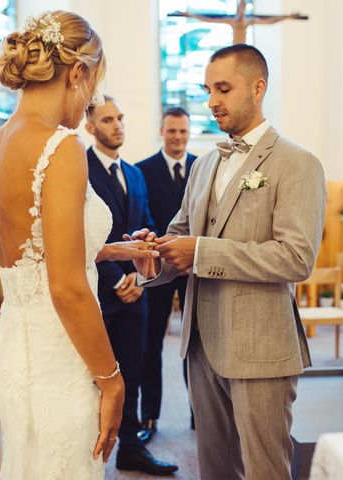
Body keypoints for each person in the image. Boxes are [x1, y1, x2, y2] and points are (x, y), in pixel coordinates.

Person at [0, 11, 160, 479]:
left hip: (13, 350)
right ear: (78, 73)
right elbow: (65, 287)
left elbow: (29, 255)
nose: (90, 98)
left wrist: (114, 250)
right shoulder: (62, 147)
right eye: (94, 84)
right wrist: (112, 382)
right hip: (60, 355)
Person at [130, 44, 326, 480]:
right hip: (199, 345)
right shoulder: (204, 165)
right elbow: (180, 235)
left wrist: (200, 251)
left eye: (223, 88)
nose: (211, 100)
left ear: (258, 88)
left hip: (260, 346)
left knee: (264, 470)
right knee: (215, 469)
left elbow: (296, 257)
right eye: (207, 89)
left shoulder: (298, 163)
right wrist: (153, 259)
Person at [86, 97, 179, 476]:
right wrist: (116, 278)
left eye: (120, 118)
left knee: (133, 372)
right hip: (98, 293)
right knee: (94, 378)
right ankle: (86, 453)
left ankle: (130, 448)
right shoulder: (80, 169)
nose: (117, 125)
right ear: (90, 126)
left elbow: (149, 225)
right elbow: (81, 234)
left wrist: (142, 277)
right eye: (108, 120)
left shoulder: (135, 175)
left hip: (136, 292)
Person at [135, 107, 197, 442]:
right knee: (151, 344)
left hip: (194, 269)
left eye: (183, 132)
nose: (177, 137)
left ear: (189, 133)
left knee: (196, 344)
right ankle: (150, 417)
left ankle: (198, 413)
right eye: (172, 131)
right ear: (162, 131)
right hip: (157, 269)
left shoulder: (203, 167)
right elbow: (140, 216)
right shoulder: (142, 170)